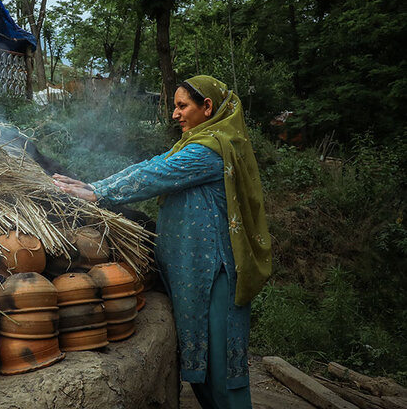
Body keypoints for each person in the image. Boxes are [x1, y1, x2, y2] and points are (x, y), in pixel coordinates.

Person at [54, 75, 271, 409]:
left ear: (207, 107)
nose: (175, 114)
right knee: (204, 368)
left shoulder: (209, 152)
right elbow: (153, 165)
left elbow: (155, 176)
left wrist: (98, 193)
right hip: (195, 272)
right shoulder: (193, 143)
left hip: (215, 272)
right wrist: (93, 185)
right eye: (175, 107)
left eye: (182, 106)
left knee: (223, 371)